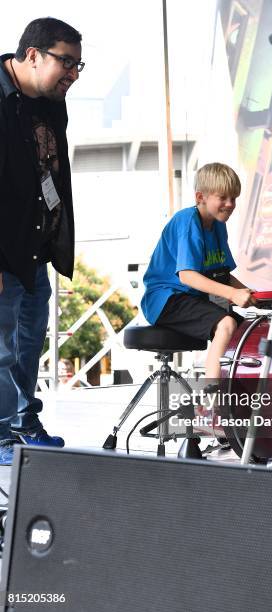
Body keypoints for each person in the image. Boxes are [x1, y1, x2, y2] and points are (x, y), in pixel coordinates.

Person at [0, 18, 83, 465]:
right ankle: (0, 438)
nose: (71, 73)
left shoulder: (51, 103)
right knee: (0, 347)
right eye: (65, 62)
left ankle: (22, 421)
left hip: (36, 247)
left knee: (29, 342)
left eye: (77, 65)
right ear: (33, 55)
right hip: (3, 250)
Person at [141, 162, 256, 380]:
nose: (230, 204)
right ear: (200, 197)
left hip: (193, 299)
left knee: (248, 332)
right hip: (166, 299)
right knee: (227, 324)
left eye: (234, 198)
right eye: (223, 197)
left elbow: (222, 276)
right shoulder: (187, 221)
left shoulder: (218, 225)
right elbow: (187, 276)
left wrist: (255, 295)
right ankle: (211, 398)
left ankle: (240, 393)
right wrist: (233, 294)